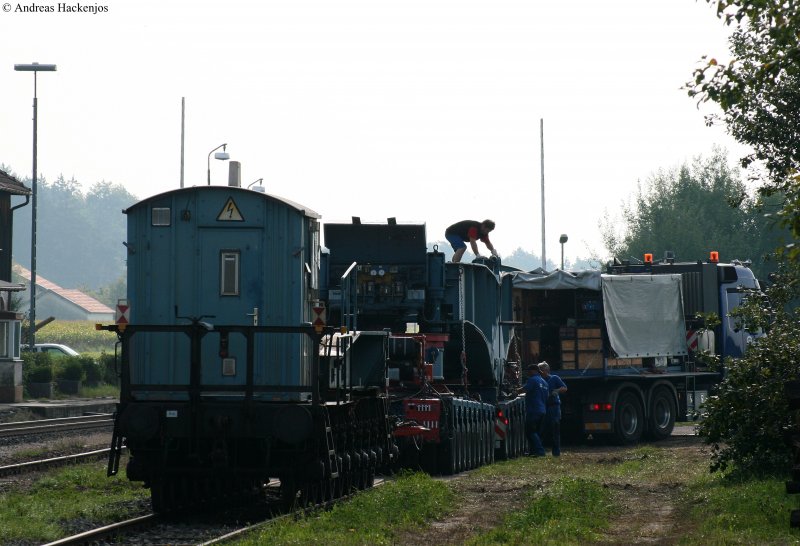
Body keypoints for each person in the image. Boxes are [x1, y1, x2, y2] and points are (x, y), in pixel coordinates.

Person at [538, 361, 567, 457]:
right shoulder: (538, 380)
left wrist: (557, 391)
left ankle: (556, 452)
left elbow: (564, 388)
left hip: (554, 407)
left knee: (555, 429)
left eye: (542, 370)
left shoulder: (554, 378)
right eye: (539, 371)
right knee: (541, 429)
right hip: (543, 407)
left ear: (547, 370)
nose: (541, 372)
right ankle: (539, 451)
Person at [522, 363, 549, 457]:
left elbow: (525, 389)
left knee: (530, 431)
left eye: (529, 371)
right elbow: (546, 397)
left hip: (533, 410)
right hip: (542, 410)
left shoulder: (532, 380)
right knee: (537, 432)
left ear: (534, 371)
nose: (528, 373)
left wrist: (514, 392)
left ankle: (540, 451)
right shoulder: (544, 382)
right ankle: (533, 452)